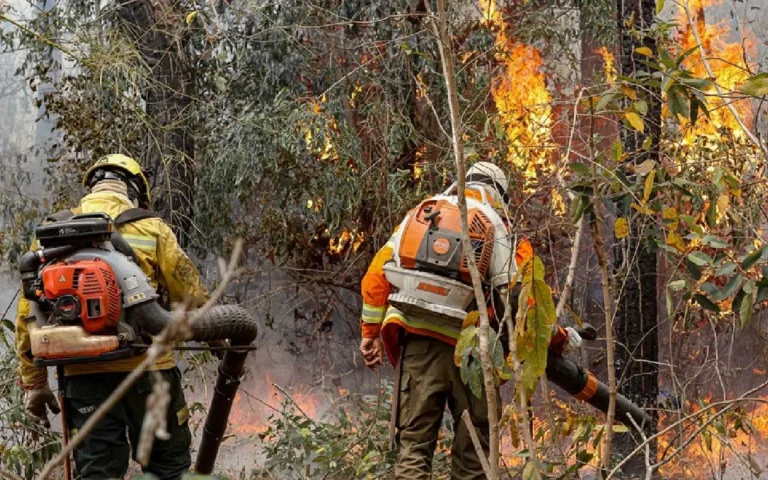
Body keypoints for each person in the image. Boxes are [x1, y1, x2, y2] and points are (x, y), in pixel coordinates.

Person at [359, 161, 580, 479]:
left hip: (419, 349)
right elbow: (527, 304)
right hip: (476, 357)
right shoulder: (502, 230)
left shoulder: (423, 214)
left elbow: (376, 277)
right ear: (500, 195)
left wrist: (370, 333)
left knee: (413, 454)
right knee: (473, 462)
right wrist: (559, 339)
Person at [15, 154, 208, 480]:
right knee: (168, 470)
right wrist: (215, 332)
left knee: (98, 474)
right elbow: (192, 295)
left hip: (83, 379)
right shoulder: (152, 228)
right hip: (151, 374)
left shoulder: (50, 235)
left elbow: (28, 317)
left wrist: (35, 385)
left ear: (90, 187)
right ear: (134, 190)